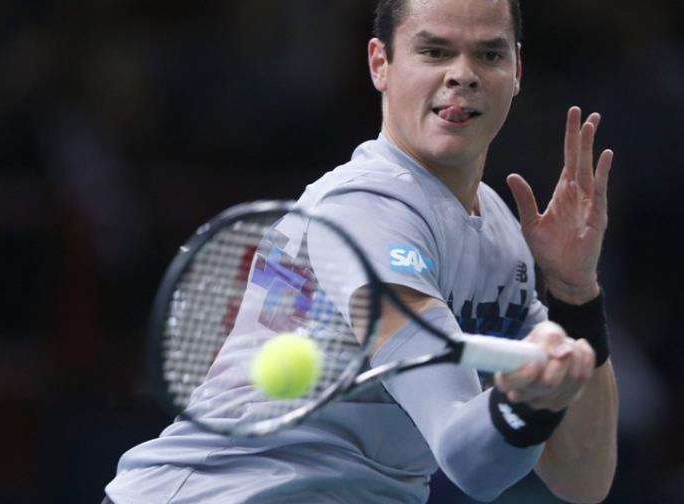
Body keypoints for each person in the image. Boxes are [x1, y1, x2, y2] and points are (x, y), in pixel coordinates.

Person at [105, 0, 618, 502]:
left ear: (517, 70)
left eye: (489, 55)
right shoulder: (363, 211)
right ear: (381, 64)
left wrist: (575, 294)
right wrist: (525, 407)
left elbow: (581, 479)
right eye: (435, 52)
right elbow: (470, 463)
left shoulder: (502, 234)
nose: (463, 74)